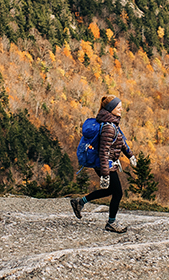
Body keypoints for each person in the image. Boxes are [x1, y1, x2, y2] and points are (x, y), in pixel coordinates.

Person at [70, 95, 134, 233]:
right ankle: (111, 223)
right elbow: (104, 151)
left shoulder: (112, 123)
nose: (121, 109)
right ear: (111, 109)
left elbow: (120, 141)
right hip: (105, 164)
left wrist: (130, 155)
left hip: (106, 164)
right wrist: (105, 174)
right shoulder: (108, 127)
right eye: (118, 107)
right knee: (117, 193)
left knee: (110, 190)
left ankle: (80, 202)